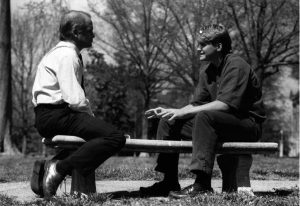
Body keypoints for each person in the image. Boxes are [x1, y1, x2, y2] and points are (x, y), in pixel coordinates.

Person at [140, 24, 265, 199]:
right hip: (217, 123)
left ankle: (202, 184)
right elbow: (197, 104)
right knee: (168, 121)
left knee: (204, 116)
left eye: (203, 44)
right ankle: (168, 181)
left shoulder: (236, 65)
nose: (198, 48)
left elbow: (224, 105)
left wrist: (186, 112)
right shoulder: (207, 70)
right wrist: (174, 111)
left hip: (247, 125)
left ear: (218, 46)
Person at [31, 10, 126, 198]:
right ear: (76, 32)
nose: (93, 34)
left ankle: (51, 166)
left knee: (99, 135)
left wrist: (95, 126)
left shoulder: (58, 53)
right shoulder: (68, 55)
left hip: (46, 115)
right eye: (90, 30)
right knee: (115, 137)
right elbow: (74, 99)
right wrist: (94, 122)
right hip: (57, 114)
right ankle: (59, 168)